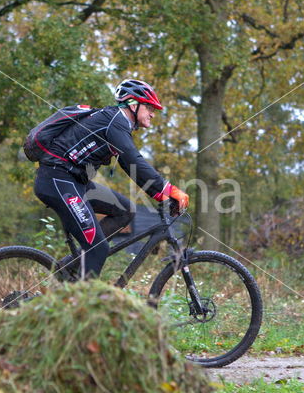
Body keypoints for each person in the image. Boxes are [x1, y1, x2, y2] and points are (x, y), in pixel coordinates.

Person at [33, 79, 189, 279]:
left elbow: (129, 165)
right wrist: (168, 190)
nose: (153, 113)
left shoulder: (116, 123)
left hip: (73, 182)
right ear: (134, 105)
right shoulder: (115, 121)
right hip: (57, 181)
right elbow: (134, 160)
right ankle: (79, 306)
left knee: (126, 210)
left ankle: (69, 268)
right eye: (149, 107)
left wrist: (161, 193)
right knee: (98, 249)